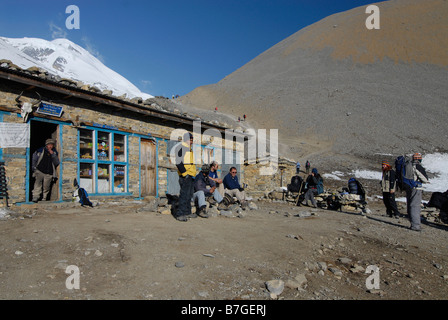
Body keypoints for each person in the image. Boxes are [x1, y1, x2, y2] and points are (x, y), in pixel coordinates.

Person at [174, 132, 196, 222]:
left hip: (190, 175)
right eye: (189, 140)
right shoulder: (181, 148)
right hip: (185, 176)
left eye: (192, 140)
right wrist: (185, 174)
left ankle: (187, 212)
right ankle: (180, 214)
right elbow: (178, 162)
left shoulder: (189, 149)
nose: (191, 141)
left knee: (189, 195)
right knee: (184, 195)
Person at [405, 153, 429, 231]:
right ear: (418, 159)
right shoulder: (417, 166)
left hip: (409, 187)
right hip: (416, 187)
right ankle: (415, 225)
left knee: (410, 204)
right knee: (415, 205)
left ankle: (412, 222)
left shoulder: (407, 165)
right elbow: (425, 179)